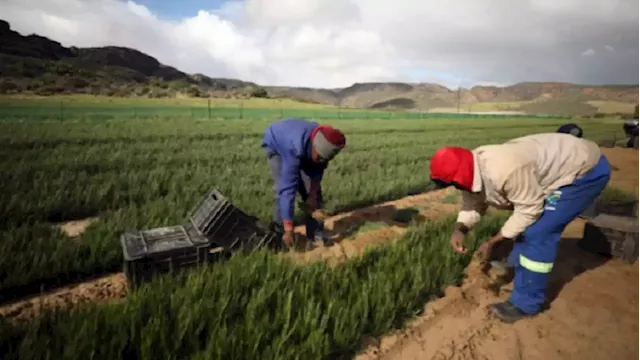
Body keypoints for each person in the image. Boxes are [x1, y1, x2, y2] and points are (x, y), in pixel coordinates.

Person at [428, 133, 611, 323]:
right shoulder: (471, 170)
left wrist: (495, 241)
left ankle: (526, 304)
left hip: (583, 173)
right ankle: (518, 262)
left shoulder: (505, 170)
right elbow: (472, 203)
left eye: (453, 184)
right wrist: (460, 229)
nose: (454, 188)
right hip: (558, 164)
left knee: (539, 231)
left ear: (461, 176)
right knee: (524, 225)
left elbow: (529, 209)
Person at [261, 118, 346, 248]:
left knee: (314, 192)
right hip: (277, 144)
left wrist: (311, 195)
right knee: (281, 190)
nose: (320, 161)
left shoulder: (323, 146)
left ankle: (315, 232)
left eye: (324, 160)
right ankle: (280, 234)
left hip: (302, 145)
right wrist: (289, 228)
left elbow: (317, 173)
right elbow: (288, 189)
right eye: (318, 157)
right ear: (314, 147)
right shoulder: (294, 148)